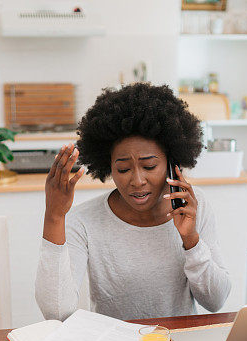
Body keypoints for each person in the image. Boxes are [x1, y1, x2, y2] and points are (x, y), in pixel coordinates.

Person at [35, 83, 231, 321]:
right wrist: (54, 217)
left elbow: (216, 301)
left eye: (149, 166)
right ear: (109, 167)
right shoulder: (83, 221)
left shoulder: (193, 206)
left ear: (172, 162)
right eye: (123, 168)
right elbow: (56, 313)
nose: (137, 181)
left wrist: (191, 240)